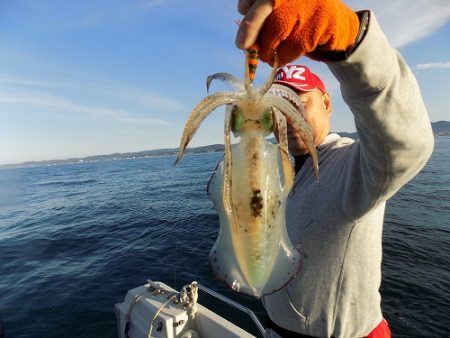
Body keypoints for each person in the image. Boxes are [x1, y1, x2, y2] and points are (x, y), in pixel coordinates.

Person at [233, 0, 435, 337]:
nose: (290, 116)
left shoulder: (357, 166)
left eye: (301, 102)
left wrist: (349, 40)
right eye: (280, 107)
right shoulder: (270, 170)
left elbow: (407, 143)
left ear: (327, 103)